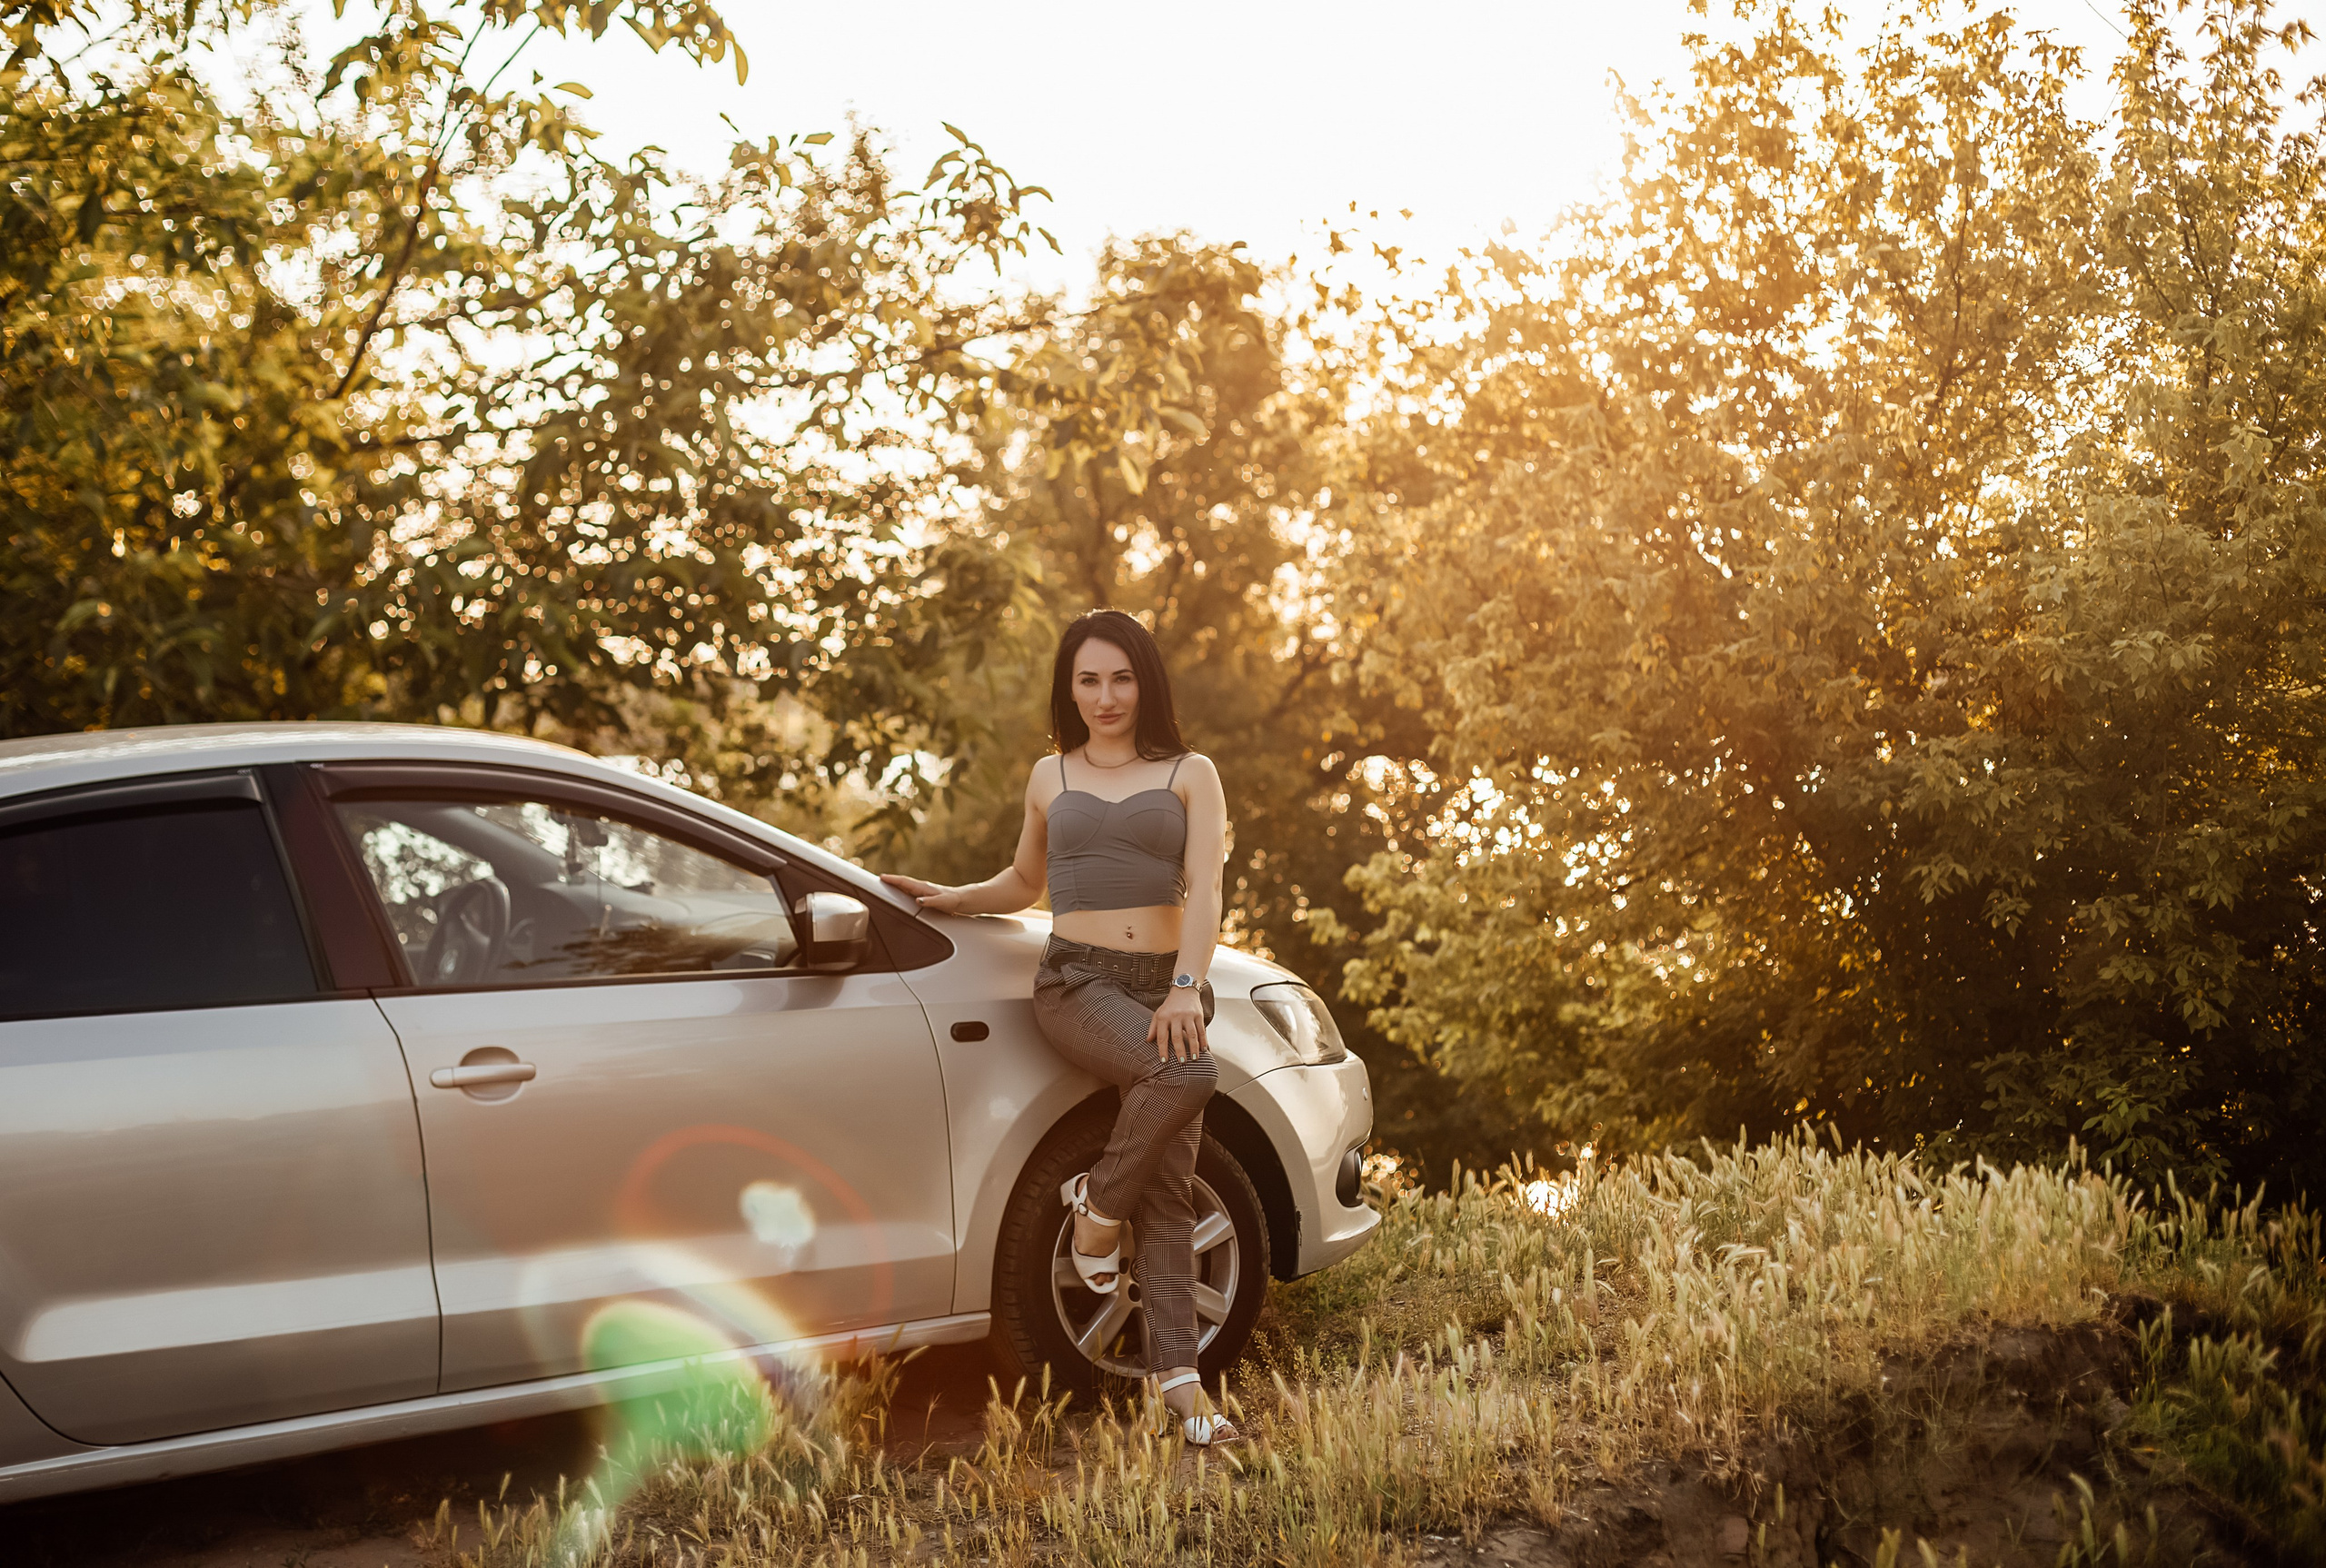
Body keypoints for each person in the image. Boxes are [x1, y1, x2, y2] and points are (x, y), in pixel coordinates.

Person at [880, 609, 1239, 1445]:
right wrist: (951, 899)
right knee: (1184, 1076)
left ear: (1145, 681)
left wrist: (1186, 987)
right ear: (1068, 687)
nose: (1105, 696)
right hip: (1078, 981)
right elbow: (1024, 881)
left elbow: (1208, 890)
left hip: (1167, 987)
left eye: (1121, 677)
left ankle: (1180, 1387)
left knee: (1173, 1193)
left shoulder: (1192, 771)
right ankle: (1095, 1210)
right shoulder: (1053, 776)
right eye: (1088, 679)